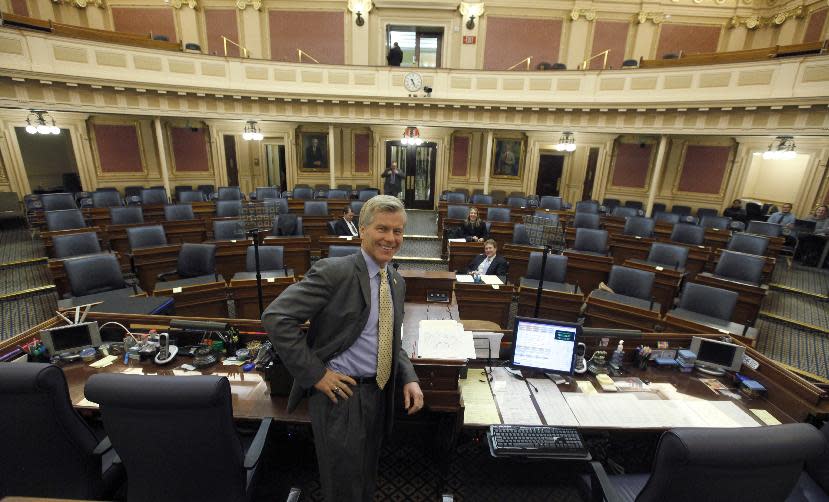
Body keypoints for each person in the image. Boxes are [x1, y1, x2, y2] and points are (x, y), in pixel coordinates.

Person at [262, 195, 423, 502]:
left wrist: (409, 377)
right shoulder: (334, 272)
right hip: (342, 398)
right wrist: (316, 374)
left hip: (379, 394)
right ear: (362, 230)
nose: (391, 238)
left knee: (365, 479)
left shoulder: (396, 281)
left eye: (398, 231)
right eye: (382, 229)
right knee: (342, 486)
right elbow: (276, 317)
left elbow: (389, 339)